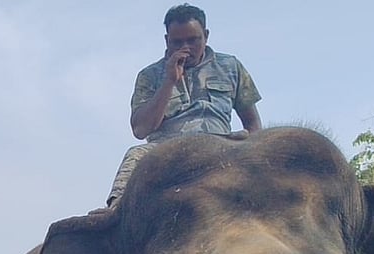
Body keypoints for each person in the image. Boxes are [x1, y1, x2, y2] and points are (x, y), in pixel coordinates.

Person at [103, 4, 262, 207]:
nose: (185, 48)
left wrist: (251, 147)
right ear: (166, 40)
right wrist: (168, 81)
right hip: (166, 148)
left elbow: (252, 121)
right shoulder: (149, 75)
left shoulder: (230, 66)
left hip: (220, 143)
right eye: (177, 42)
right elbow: (140, 129)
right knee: (135, 156)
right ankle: (114, 213)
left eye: (193, 40)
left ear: (206, 35)